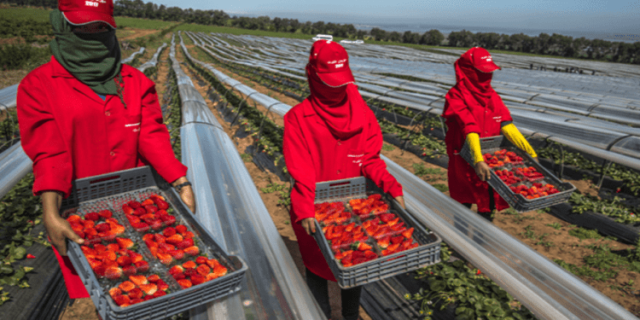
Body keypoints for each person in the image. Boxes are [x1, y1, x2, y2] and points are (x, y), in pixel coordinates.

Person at [16, 0, 195, 300]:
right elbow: (49, 152)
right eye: (82, 25)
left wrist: (180, 180)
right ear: (62, 25)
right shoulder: (39, 86)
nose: (92, 32)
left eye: (101, 26)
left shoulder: (136, 83)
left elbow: (151, 135)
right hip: (78, 207)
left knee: (144, 281)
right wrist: (50, 212)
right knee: (105, 287)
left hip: (136, 203)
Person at [283, 40, 404, 320]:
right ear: (313, 76)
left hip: (355, 212)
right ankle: (320, 314)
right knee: (316, 266)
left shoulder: (363, 114)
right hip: (314, 207)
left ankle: (349, 315)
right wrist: (304, 207)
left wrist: (390, 185)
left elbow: (370, 158)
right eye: (330, 82)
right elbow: (300, 169)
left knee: (353, 266)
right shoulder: (298, 119)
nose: (336, 88)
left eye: (341, 82)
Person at [442, 47, 537, 219]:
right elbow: (469, 127)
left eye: (489, 72)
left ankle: (481, 241)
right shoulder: (455, 96)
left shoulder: (493, 96)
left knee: (486, 203)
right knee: (462, 205)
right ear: (468, 71)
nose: (487, 77)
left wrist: (530, 151)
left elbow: (506, 124)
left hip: (490, 159)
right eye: (481, 72)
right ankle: (459, 241)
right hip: (464, 158)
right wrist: (477, 159)